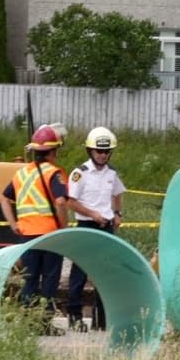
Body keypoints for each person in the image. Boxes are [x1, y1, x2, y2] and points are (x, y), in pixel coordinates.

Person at [0, 123, 69, 321]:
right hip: (50, 235)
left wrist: (13, 224)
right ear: (53, 151)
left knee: (29, 279)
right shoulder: (53, 173)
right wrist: (64, 226)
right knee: (49, 279)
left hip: (26, 235)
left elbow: (4, 198)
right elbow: (61, 201)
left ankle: (27, 322)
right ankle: (44, 323)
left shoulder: (21, 173)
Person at [65, 127, 126, 332]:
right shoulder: (79, 174)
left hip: (106, 227)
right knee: (80, 273)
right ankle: (75, 317)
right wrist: (92, 214)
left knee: (105, 273)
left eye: (106, 151)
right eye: (99, 151)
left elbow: (117, 193)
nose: (102, 155)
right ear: (90, 151)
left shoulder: (112, 173)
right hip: (87, 225)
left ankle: (102, 319)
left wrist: (118, 214)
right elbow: (70, 202)